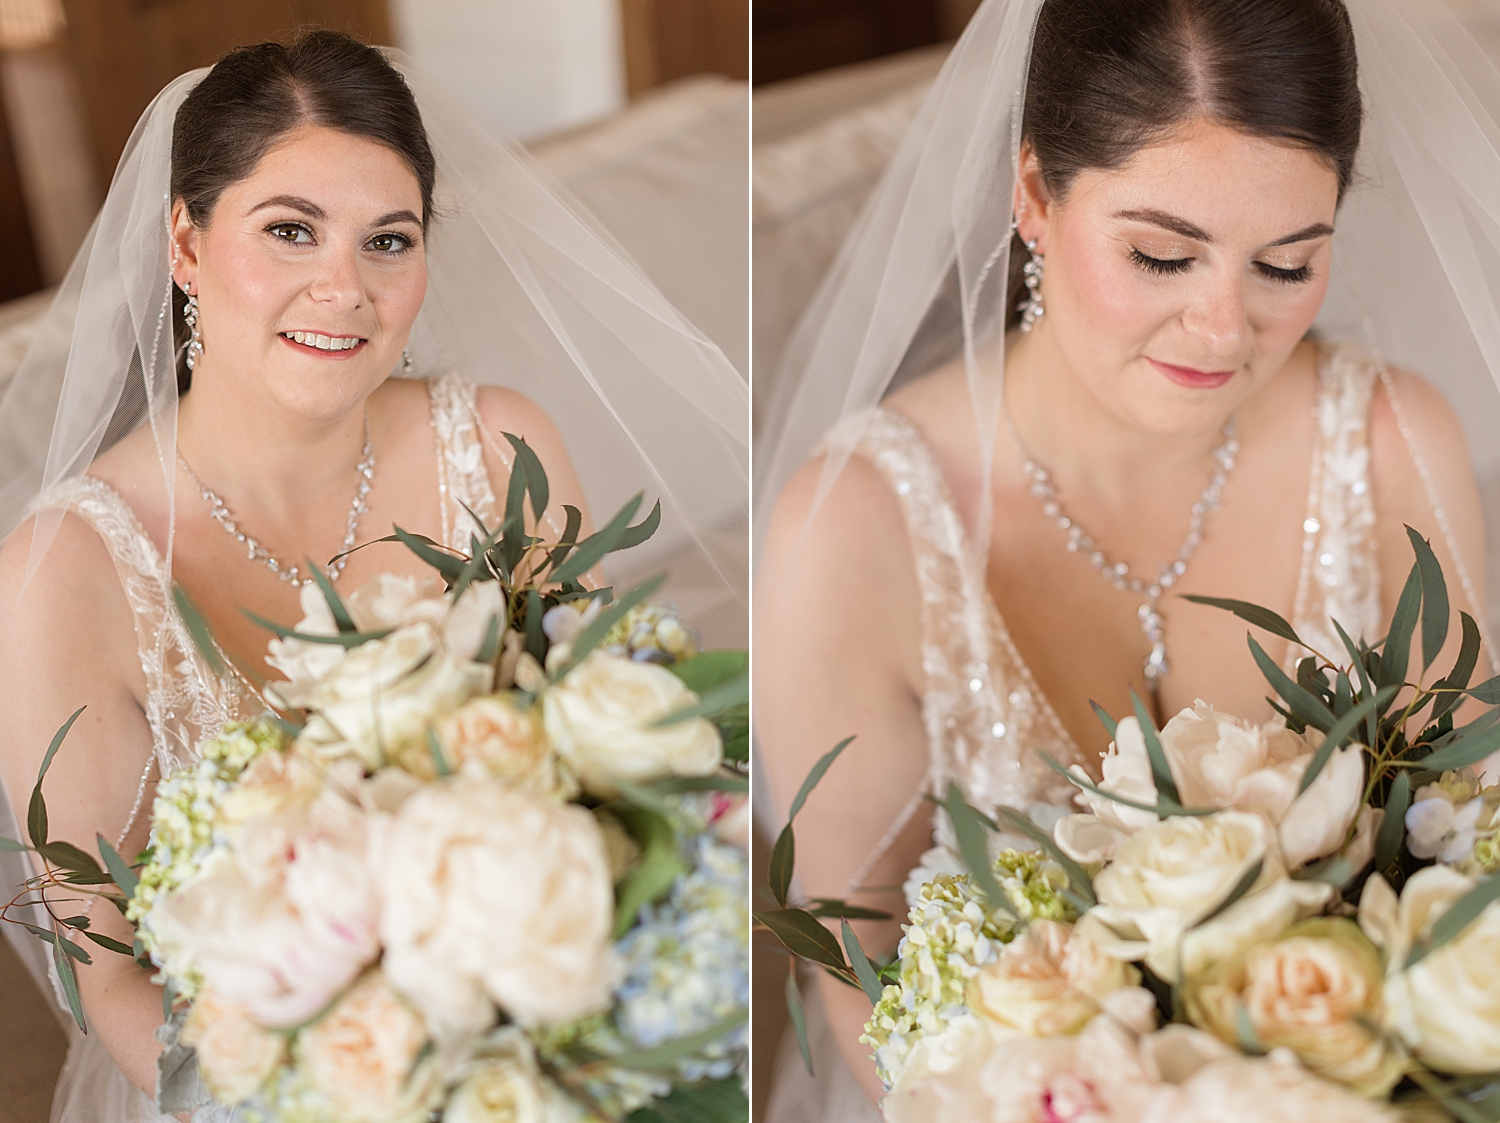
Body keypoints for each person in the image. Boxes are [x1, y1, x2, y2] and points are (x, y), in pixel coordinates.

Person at [754, 0, 1500, 1117]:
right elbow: (851, 961)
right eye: (1162, 255)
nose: (1223, 326)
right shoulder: (856, 529)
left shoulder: (1393, 445)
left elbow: (1470, 861)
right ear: (1036, 198)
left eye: (1286, 264)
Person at [0, 29, 747, 1123]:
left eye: (387, 240)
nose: (343, 287)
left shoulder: (497, 450)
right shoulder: (66, 573)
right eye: (290, 231)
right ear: (186, 244)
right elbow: (102, 968)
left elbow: (620, 785)